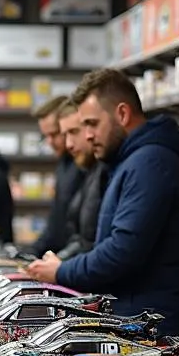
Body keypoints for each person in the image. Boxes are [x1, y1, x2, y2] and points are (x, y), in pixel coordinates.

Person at [28, 68, 179, 344]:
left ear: (122, 114)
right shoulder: (131, 162)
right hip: (139, 315)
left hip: (150, 324)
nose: (86, 136)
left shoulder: (150, 165)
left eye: (92, 124)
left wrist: (62, 272)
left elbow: (121, 252)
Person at [54, 98, 111, 261]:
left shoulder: (105, 172)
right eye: (65, 135)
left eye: (74, 132)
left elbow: (95, 245)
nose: (68, 144)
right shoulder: (90, 172)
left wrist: (61, 268)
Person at [30, 96, 85, 257]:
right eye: (45, 136)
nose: (50, 142)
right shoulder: (64, 164)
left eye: (54, 134)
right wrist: (32, 252)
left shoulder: (86, 165)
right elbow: (56, 219)